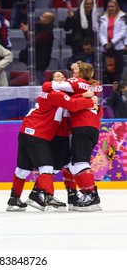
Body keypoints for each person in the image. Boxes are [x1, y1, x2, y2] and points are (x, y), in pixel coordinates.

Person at [6, 72, 98, 212]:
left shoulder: (52, 93)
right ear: (53, 82)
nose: (62, 78)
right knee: (47, 167)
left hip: (26, 131)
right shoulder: (56, 94)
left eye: (62, 77)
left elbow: (70, 99)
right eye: (57, 77)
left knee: (23, 169)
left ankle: (14, 199)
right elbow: (72, 105)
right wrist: (91, 101)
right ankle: (48, 197)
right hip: (38, 133)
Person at [43, 62, 103, 212]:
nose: (71, 72)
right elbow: (98, 110)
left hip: (80, 127)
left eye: (74, 69)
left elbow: (48, 87)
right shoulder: (88, 86)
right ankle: (77, 195)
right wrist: (91, 102)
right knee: (72, 164)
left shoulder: (76, 82)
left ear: (81, 72)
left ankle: (91, 195)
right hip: (88, 127)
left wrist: (54, 84)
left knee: (79, 162)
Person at [19, 11, 55, 85]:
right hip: (32, 59)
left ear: (48, 20)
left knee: (38, 81)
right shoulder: (39, 27)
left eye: (43, 17)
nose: (40, 18)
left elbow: (33, 41)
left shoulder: (47, 32)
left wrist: (26, 31)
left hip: (40, 61)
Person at [99, 0, 127, 84]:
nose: (111, 8)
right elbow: (101, 33)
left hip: (117, 46)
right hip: (106, 48)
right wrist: (105, 43)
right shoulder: (103, 18)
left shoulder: (122, 17)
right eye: (109, 6)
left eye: (112, 6)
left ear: (116, 7)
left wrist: (112, 42)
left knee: (118, 69)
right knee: (108, 70)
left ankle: (117, 89)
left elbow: (123, 32)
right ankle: (109, 88)